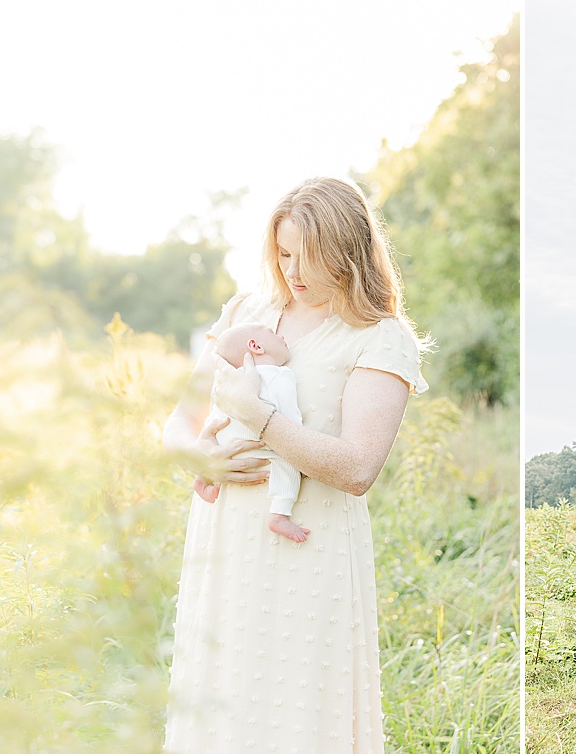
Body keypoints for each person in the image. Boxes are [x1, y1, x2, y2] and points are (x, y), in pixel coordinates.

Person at [162, 177, 428, 753]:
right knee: (220, 701)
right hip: (225, 540)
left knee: (297, 708)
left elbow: (358, 468)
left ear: (350, 252)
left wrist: (257, 419)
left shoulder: (380, 337)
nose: (294, 272)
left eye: (310, 258)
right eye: (284, 254)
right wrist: (200, 457)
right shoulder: (247, 311)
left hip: (310, 547)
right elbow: (179, 423)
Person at [193, 322, 309, 544]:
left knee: (215, 450)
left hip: (227, 443)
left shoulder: (230, 378)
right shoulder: (279, 375)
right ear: (255, 345)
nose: (282, 337)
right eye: (273, 334)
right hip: (258, 445)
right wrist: (300, 454)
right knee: (287, 466)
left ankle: (203, 480)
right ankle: (280, 514)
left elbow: (214, 412)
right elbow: (290, 418)